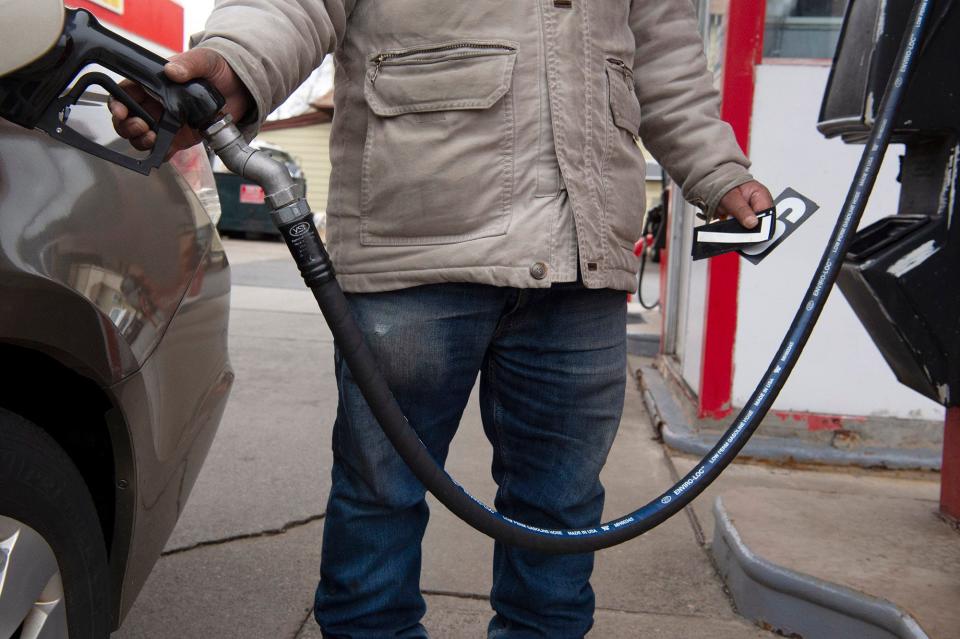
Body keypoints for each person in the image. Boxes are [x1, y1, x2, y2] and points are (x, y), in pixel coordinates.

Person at [112, 2, 773, 637]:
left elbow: (662, 52)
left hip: (581, 255)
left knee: (561, 518)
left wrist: (716, 168)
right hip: (419, 238)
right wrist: (235, 59)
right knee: (382, 501)